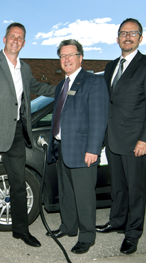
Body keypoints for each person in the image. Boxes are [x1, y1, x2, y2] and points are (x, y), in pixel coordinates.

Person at [0, 22, 55, 248]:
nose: (15, 41)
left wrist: (66, 86)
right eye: (12, 36)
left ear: (24, 43)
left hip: (17, 134)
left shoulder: (25, 68)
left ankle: (20, 230)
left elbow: (38, 86)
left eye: (20, 38)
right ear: (4, 39)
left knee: (18, 185)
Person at [95, 18, 146, 255]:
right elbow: (106, 101)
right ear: (117, 39)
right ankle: (117, 221)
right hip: (113, 139)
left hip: (136, 141)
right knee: (118, 187)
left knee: (135, 190)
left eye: (132, 33)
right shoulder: (110, 66)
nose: (127, 37)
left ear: (140, 38)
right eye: (123, 33)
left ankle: (133, 234)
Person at [45, 39, 109, 254]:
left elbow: (99, 119)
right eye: (63, 56)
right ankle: (68, 226)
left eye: (71, 55)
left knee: (84, 196)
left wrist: (93, 149)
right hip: (63, 148)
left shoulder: (93, 82)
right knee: (66, 192)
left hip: (83, 151)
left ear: (80, 58)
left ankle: (87, 236)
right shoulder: (61, 85)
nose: (67, 59)